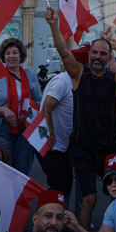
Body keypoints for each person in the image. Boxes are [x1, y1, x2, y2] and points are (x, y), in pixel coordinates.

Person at [45, 6, 116, 232]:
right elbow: (63, 52)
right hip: (82, 148)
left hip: (108, 148)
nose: (98, 56)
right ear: (90, 54)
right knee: (89, 199)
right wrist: (54, 26)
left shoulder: (114, 78)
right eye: (95, 52)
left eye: (103, 54)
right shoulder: (78, 74)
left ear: (108, 57)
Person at [0, 38, 41, 174]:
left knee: (22, 170)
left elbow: (38, 100)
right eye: (8, 53)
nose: (11, 56)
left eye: (15, 53)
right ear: (3, 56)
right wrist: (4, 110)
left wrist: (29, 113)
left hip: (25, 129)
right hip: (1, 130)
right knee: (3, 170)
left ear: (21, 55)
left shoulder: (30, 75)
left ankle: (19, 196)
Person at [40, 68, 74, 204]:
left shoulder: (76, 81)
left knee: (65, 183)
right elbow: (47, 107)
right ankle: (46, 218)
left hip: (63, 144)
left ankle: (58, 217)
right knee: (59, 185)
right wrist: (50, 134)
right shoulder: (62, 81)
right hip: (51, 144)